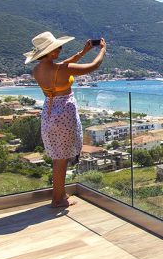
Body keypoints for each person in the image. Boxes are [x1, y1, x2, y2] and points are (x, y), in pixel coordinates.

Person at [24, 32, 106, 208]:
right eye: (58, 48)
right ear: (52, 52)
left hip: (49, 112)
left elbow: (62, 65)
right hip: (64, 115)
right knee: (62, 159)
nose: (60, 50)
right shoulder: (62, 70)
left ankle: (60, 194)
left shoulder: (37, 70)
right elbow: (94, 66)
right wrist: (102, 51)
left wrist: (82, 52)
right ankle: (57, 199)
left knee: (57, 156)